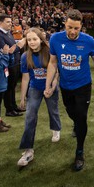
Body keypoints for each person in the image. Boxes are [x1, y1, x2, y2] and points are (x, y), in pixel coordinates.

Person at [44, 9, 94, 171]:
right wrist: (48, 85)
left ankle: (79, 151)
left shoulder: (88, 41)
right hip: (65, 86)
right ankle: (76, 124)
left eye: (76, 28)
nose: (73, 31)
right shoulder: (55, 39)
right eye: (69, 27)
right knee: (71, 112)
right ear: (65, 24)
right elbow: (53, 63)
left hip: (83, 86)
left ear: (81, 26)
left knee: (81, 116)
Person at [17, 28, 61, 167]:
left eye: (34, 39)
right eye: (29, 40)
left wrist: (52, 87)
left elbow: (56, 72)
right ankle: (28, 150)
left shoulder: (49, 53)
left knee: (52, 110)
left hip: (50, 87)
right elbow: (25, 78)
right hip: (35, 88)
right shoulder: (25, 56)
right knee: (30, 115)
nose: (32, 42)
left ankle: (56, 129)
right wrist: (22, 97)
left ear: (41, 39)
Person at [0, 14, 26, 117]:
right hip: (8, 64)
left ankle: (13, 106)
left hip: (14, 63)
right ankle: (9, 109)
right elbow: (7, 51)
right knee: (9, 87)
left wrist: (16, 47)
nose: (10, 24)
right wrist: (19, 46)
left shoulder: (7, 33)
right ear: (0, 23)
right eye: (8, 22)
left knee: (12, 86)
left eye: (10, 22)